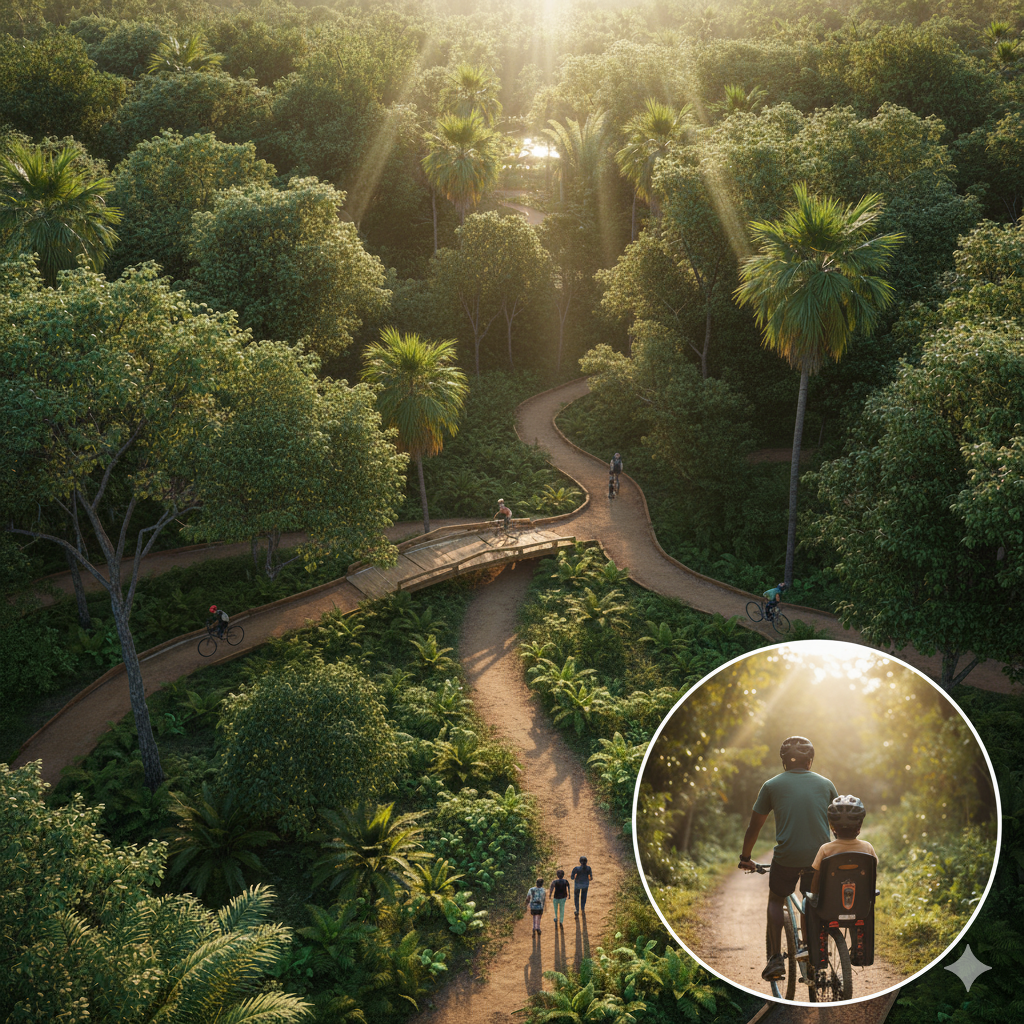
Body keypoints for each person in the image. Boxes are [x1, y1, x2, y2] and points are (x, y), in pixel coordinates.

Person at [738, 736, 838, 984]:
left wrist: (746, 858)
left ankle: (774, 959)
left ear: (783, 762)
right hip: (819, 857)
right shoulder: (826, 784)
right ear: (810, 760)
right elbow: (839, 825)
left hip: (786, 858)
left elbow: (754, 827)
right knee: (810, 898)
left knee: (776, 898)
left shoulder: (771, 786)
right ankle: (809, 946)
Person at [806, 795, 877, 905]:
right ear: (859, 825)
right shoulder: (867, 847)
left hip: (830, 904)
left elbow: (817, 877)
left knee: (807, 903)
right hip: (860, 903)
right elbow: (873, 872)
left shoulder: (825, 849)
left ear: (833, 827)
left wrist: (814, 894)